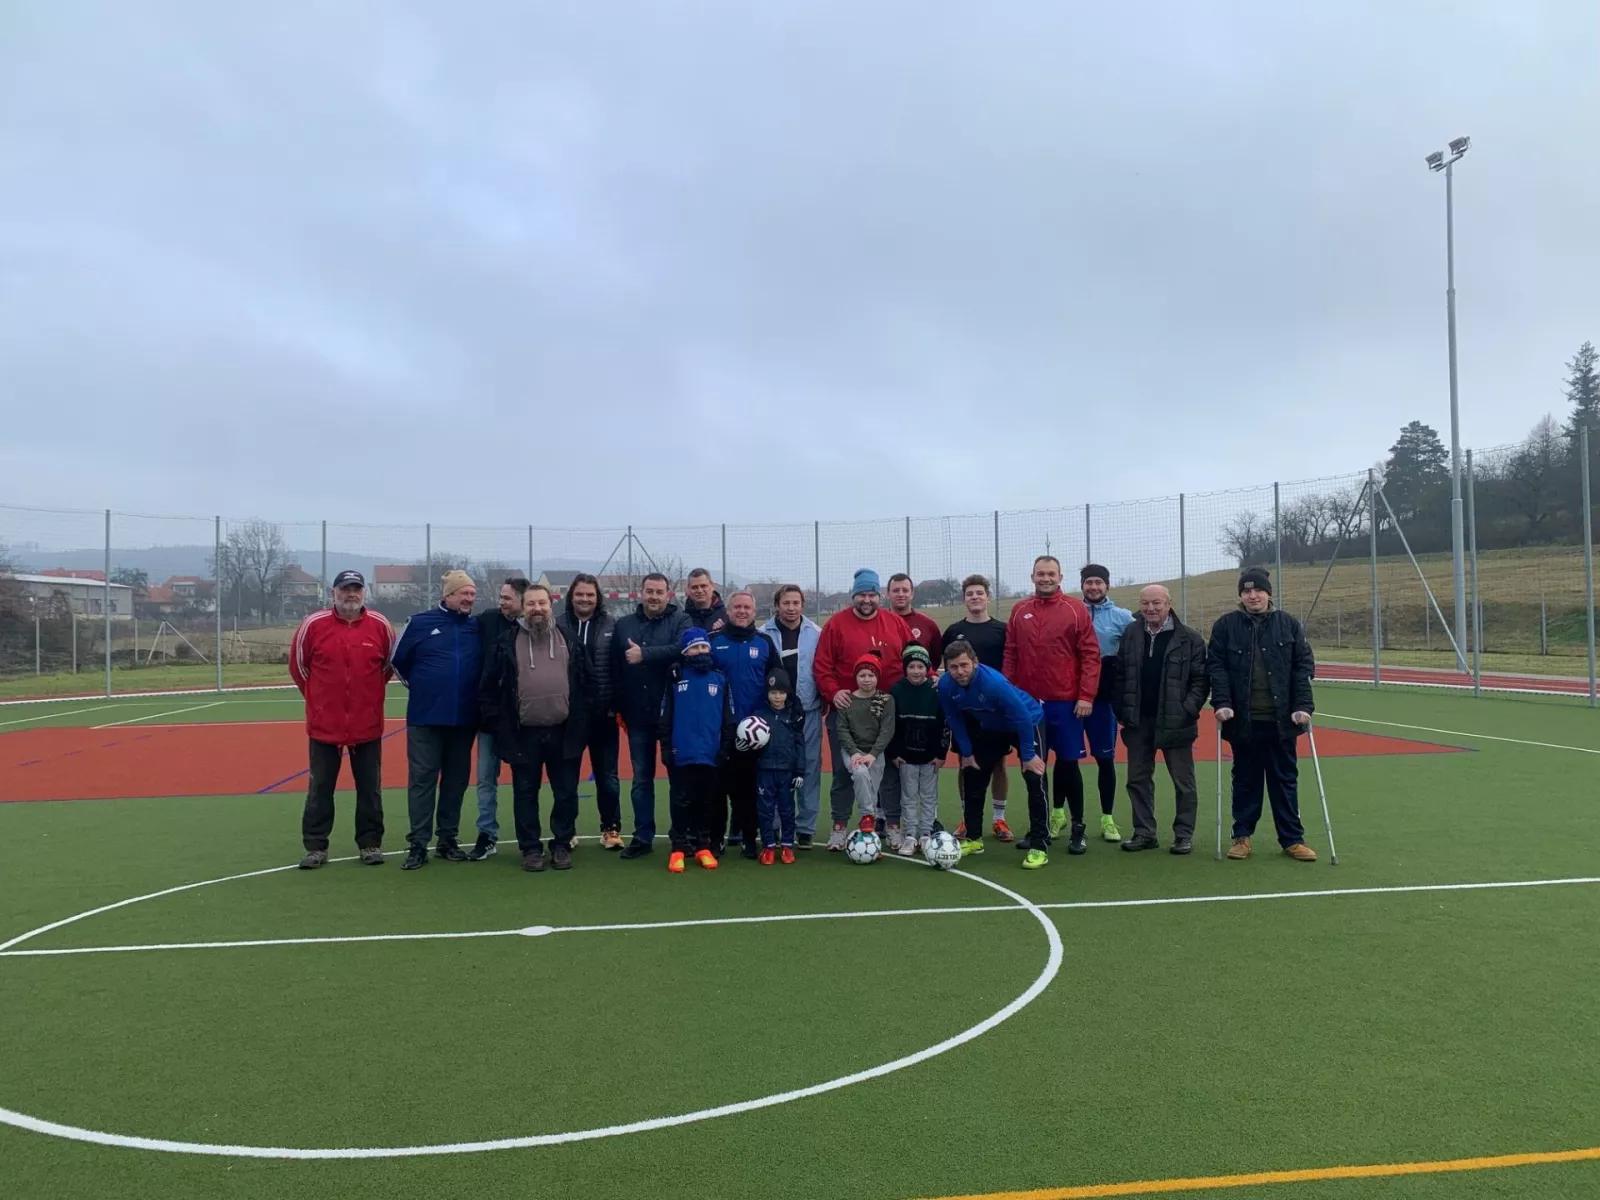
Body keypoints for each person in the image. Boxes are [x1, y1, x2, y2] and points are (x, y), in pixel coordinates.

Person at [1208, 567, 1319, 862]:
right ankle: (1242, 837)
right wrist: (1221, 702)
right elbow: (1216, 667)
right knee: (1246, 780)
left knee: (1285, 780)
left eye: (1258, 590)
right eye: (1246, 591)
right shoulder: (1226, 626)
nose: (1252, 595)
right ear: (1240, 595)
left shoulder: (1288, 624)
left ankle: (1292, 839)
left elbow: (1303, 666)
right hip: (1243, 721)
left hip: (1282, 721)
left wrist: (1303, 706)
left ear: (1269, 593)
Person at [289, 570, 397, 869]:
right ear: (333, 592)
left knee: (370, 790)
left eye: (356, 589)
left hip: (367, 726)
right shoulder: (313, 625)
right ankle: (316, 847)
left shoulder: (380, 626)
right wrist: (320, 702)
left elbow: (387, 668)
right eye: (345, 589)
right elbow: (299, 668)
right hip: (325, 727)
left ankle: (370, 844)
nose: (351, 594)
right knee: (320, 789)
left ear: (364, 593)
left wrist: (366, 700)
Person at [479, 584, 590, 872]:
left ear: (551, 605)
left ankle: (562, 844)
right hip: (523, 733)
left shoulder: (569, 639)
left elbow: (587, 682)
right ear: (522, 607)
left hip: (563, 731)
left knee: (565, 793)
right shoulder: (505, 642)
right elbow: (488, 689)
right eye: (531, 604)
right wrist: (499, 724)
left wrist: (583, 720)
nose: (537, 609)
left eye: (542, 603)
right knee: (525, 794)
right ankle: (530, 848)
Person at [1005, 555, 1101, 856]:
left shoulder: (1075, 610)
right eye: (1040, 574)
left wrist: (1086, 695)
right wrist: (1009, 695)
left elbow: (1090, 655)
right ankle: (1039, 829)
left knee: (1069, 765)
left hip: (1066, 703)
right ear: (1032, 577)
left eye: (1051, 574)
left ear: (1060, 577)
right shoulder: (1019, 610)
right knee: (1034, 768)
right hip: (1028, 706)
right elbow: (1010, 654)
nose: (1045, 578)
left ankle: (1078, 829)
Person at [813, 568, 911, 850]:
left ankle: (892, 826)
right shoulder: (836, 624)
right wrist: (833, 692)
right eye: (861, 595)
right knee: (844, 773)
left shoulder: (894, 623)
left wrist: (925, 679)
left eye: (872, 595)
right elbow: (822, 665)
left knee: (889, 773)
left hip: (886, 711)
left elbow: (912, 656)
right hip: (846, 712)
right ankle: (839, 828)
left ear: (879, 596)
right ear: (853, 596)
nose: (867, 600)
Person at [391, 570, 483, 870]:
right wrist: (423, 687)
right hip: (425, 718)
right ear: (448, 595)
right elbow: (398, 661)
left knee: (455, 782)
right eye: (463, 593)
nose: (469, 598)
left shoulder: (476, 628)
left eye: (472, 594)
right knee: (422, 781)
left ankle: (447, 840)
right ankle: (418, 844)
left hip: (464, 719)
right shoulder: (419, 623)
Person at [937, 640, 1051, 869]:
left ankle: (1039, 845)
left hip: (1027, 723)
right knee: (973, 772)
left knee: (1034, 777)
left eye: (964, 665)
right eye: (953, 667)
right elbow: (954, 719)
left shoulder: (993, 683)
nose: (959, 672)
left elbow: (1022, 717)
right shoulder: (946, 685)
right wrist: (967, 753)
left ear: (975, 662)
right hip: (992, 727)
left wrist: (1028, 755)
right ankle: (974, 839)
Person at [1113, 585, 1209, 855]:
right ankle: (1144, 833)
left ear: (1168, 603)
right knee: (1137, 779)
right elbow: (1120, 673)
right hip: (1138, 720)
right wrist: (1121, 708)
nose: (1150, 608)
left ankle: (1183, 835)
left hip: (1177, 722)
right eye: (1145, 603)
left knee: (1183, 783)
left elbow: (1201, 681)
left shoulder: (1189, 638)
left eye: (1156, 603)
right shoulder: (1131, 633)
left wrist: (1188, 708)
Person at [612, 572, 691, 859]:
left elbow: (683, 650)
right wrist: (618, 705)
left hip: (673, 715)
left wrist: (645, 654)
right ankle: (642, 836)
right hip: (638, 714)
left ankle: (680, 837)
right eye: (649, 591)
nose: (654, 597)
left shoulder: (681, 620)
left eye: (659, 592)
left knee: (678, 780)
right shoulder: (624, 625)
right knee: (641, 779)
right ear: (640, 593)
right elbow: (615, 667)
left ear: (668, 594)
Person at [708, 590, 783, 857]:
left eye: (746, 608)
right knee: (718, 788)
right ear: (728, 611)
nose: (742, 611)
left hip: (753, 732)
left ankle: (749, 838)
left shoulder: (764, 643)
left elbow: (778, 681)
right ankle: (716, 838)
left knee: (749, 789)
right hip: (719, 730)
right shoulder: (713, 641)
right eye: (737, 607)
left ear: (754, 612)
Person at [659, 627, 736, 873]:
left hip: (710, 752)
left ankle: (703, 846)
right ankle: (678, 847)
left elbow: (728, 718)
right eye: (694, 647)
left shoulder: (720, 679)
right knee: (681, 800)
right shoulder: (675, 677)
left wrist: (724, 747)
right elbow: (665, 716)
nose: (700, 651)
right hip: (682, 751)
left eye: (704, 646)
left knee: (706, 800)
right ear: (685, 652)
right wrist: (665, 746)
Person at [943, 574, 1013, 843]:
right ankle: (967, 818)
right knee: (966, 762)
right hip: (964, 709)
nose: (975, 597)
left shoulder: (1001, 630)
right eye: (970, 593)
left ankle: (999, 818)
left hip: (995, 710)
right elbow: (947, 668)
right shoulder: (953, 632)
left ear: (988, 597)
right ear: (964, 599)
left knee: (999, 763)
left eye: (979, 593)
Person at [557, 573, 622, 850]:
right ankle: (567, 831)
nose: (585, 599)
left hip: (603, 714)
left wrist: (615, 704)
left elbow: (619, 667)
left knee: (607, 778)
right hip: (568, 716)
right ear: (571, 596)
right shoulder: (557, 624)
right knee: (567, 778)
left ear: (598, 598)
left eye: (590, 595)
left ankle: (610, 829)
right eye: (580, 594)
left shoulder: (611, 625)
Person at [468, 575, 529, 861]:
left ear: (522, 600)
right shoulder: (487, 621)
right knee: (485, 779)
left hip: (524, 722)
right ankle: (487, 835)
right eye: (501, 597)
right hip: (490, 719)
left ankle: (528, 838)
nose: (501, 602)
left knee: (525, 781)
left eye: (507, 598)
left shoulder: (536, 627)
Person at [760, 584, 823, 849]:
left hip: (807, 709)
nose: (791, 608)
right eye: (786, 603)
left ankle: (805, 828)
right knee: (776, 768)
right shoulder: (763, 633)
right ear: (777, 606)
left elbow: (822, 668)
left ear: (802, 605)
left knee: (809, 767)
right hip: (776, 713)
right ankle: (775, 826)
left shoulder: (816, 633)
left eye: (796, 603)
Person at [1079, 564, 1134, 845]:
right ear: (1082, 586)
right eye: (1089, 582)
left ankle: (1107, 818)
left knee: (1105, 759)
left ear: (1107, 586)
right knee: (1066, 758)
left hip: (1103, 702)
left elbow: (1136, 651)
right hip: (1072, 699)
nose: (1093, 587)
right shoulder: (1071, 612)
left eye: (1098, 582)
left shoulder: (1122, 617)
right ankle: (1061, 815)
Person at [887, 644, 949, 858]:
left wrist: (941, 754)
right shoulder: (897, 690)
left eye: (920, 666)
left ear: (927, 668)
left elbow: (944, 725)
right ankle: (910, 835)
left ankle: (925, 833)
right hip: (906, 757)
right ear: (905, 668)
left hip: (930, 758)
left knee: (929, 796)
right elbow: (891, 725)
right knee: (908, 797)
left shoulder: (936, 691)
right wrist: (894, 753)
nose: (916, 671)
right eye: (911, 666)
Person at [835, 653, 897, 840]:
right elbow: (842, 729)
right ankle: (868, 816)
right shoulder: (847, 700)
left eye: (871, 675)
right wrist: (854, 753)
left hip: (875, 753)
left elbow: (887, 729)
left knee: (871, 790)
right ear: (856, 677)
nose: (867, 679)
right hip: (852, 751)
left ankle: (869, 829)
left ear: (877, 677)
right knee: (860, 773)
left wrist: (873, 754)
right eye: (862, 675)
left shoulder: (886, 700)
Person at [751, 669, 806, 865]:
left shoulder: (793, 715)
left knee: (787, 810)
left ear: (787, 693)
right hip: (764, 770)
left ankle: (787, 846)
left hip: (787, 771)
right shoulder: (758, 715)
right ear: (767, 693)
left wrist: (800, 771)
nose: (777, 697)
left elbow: (800, 744)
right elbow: (750, 745)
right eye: (773, 692)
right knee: (765, 810)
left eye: (781, 692)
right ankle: (768, 846)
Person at [886, 573, 944, 663]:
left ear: (912, 594)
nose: (900, 594)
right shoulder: (879, 623)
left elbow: (935, 660)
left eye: (905, 590)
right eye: (895, 591)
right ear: (888, 594)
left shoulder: (928, 625)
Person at [683, 568, 728, 634]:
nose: (699, 591)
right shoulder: (682, 619)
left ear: (712, 586)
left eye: (703, 586)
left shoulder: (727, 616)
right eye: (694, 587)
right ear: (688, 589)